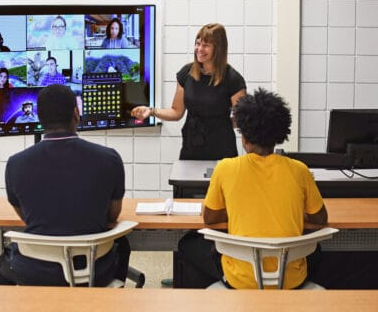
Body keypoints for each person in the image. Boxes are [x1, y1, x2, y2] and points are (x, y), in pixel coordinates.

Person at [177, 88, 329, 289]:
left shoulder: (225, 168)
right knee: (315, 250)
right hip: (291, 280)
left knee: (187, 244)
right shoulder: (299, 170)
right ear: (279, 135)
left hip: (241, 279)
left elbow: (210, 219)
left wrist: (239, 211)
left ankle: (203, 309)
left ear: (245, 138)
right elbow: (320, 219)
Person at [0, 84, 131, 286]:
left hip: (33, 269)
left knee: (3, 265)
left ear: (39, 117)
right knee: (123, 244)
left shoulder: (15, 163)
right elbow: (112, 216)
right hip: (94, 270)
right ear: (76, 113)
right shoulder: (109, 159)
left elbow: (25, 217)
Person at [131, 23, 246, 160]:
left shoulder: (233, 79)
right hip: (191, 146)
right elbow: (176, 112)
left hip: (222, 149)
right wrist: (151, 111)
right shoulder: (187, 73)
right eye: (198, 44)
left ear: (218, 49)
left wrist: (221, 123)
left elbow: (243, 119)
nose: (199, 49)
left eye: (206, 45)